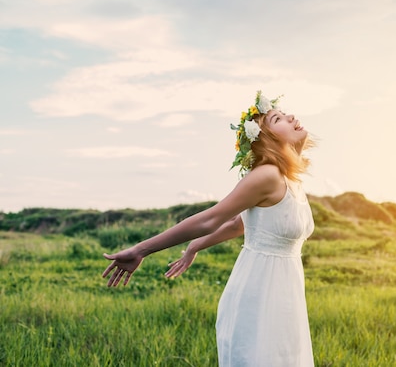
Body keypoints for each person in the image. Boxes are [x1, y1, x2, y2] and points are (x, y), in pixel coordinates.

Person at [102, 91, 316, 366]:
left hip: (285, 296)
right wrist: (142, 249)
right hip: (260, 295)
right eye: (278, 118)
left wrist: (196, 246)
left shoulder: (290, 178)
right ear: (267, 139)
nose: (290, 116)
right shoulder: (267, 175)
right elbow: (211, 218)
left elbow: (244, 224)